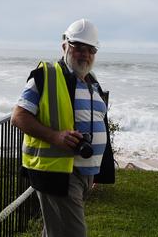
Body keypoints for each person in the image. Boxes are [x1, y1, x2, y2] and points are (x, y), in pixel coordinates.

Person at [11, 18, 115, 237]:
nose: (85, 54)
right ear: (65, 46)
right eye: (78, 47)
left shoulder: (92, 82)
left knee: (56, 230)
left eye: (91, 49)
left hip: (83, 173)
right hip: (59, 173)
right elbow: (18, 116)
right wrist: (55, 137)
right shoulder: (46, 76)